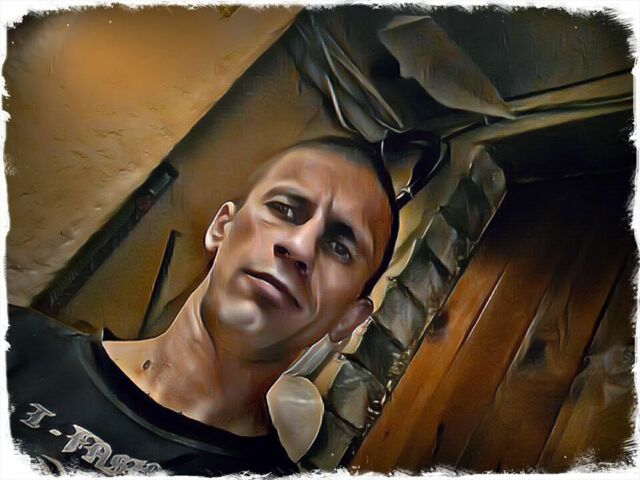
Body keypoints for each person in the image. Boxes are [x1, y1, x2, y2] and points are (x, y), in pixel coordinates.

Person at [6, 137, 399, 476]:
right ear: (221, 228)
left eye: (339, 247)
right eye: (284, 209)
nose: (299, 246)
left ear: (348, 319)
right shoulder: (16, 345)